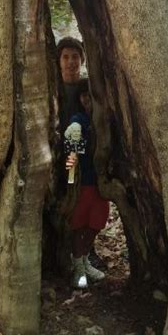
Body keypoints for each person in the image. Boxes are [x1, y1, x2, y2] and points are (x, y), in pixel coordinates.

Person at [64, 78, 109, 289]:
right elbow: (73, 148)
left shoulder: (106, 119)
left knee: (95, 224)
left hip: (102, 183)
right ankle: (79, 268)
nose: (88, 99)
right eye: (84, 95)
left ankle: (83, 262)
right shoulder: (79, 119)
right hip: (85, 184)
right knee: (78, 225)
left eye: (91, 95)